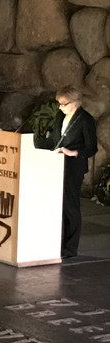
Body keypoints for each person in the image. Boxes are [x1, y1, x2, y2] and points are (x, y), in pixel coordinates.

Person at [35, 85, 97, 259]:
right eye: (59, 104)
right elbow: (54, 140)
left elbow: (91, 148)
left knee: (70, 206)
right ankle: (56, 243)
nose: (60, 107)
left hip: (73, 167)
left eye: (63, 104)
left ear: (75, 103)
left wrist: (74, 152)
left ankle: (70, 248)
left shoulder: (85, 120)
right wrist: (33, 144)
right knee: (57, 205)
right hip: (56, 165)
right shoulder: (59, 117)